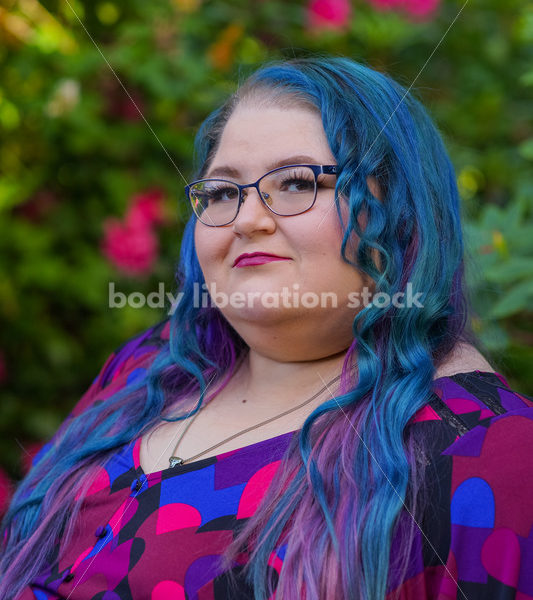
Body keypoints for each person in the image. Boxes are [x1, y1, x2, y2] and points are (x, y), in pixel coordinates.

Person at [1, 55, 532, 600]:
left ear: (400, 212)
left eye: (297, 182)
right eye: (224, 192)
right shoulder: (151, 369)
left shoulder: (487, 453)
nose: (249, 218)